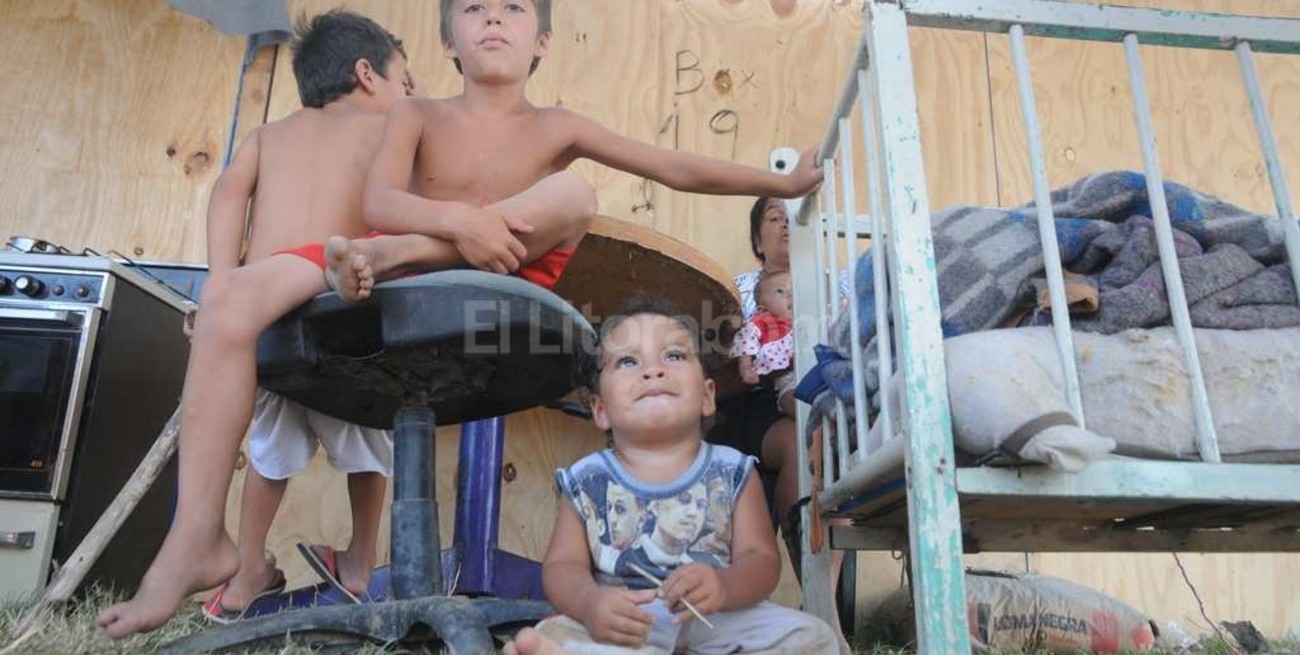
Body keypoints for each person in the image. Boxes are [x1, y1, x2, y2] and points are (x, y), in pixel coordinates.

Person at [97, 10, 429, 638]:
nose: (408, 94)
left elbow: (227, 192)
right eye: (404, 79)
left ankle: (244, 561)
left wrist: (222, 282)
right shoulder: (391, 130)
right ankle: (356, 561)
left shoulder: (269, 134)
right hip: (342, 312)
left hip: (269, 319)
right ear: (367, 75)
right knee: (364, 443)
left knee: (272, 451)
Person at [318, 0, 823, 302]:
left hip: (505, 269)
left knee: (574, 192)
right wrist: (460, 222)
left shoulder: (557, 126)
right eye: (474, 8)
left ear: (542, 42)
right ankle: (394, 253)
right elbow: (379, 202)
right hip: (413, 273)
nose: (493, 17)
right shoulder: (415, 113)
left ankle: (394, 253)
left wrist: (783, 184)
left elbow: (672, 167)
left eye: (513, 7)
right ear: (448, 42)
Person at [535, 296, 839, 654]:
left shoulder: (733, 471)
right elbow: (561, 566)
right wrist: (590, 603)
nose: (653, 371)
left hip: (721, 619)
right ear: (601, 410)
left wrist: (724, 586)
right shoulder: (586, 479)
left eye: (674, 356)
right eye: (628, 361)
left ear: (707, 396)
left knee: (813, 637)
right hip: (627, 623)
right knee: (556, 636)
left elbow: (761, 561)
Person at [731, 269, 796, 417]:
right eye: (780, 291)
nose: (790, 294)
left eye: (795, 289)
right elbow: (745, 341)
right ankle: (811, 419)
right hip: (788, 376)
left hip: (822, 369)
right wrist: (746, 368)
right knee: (790, 398)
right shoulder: (764, 322)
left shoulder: (815, 316)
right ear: (763, 309)